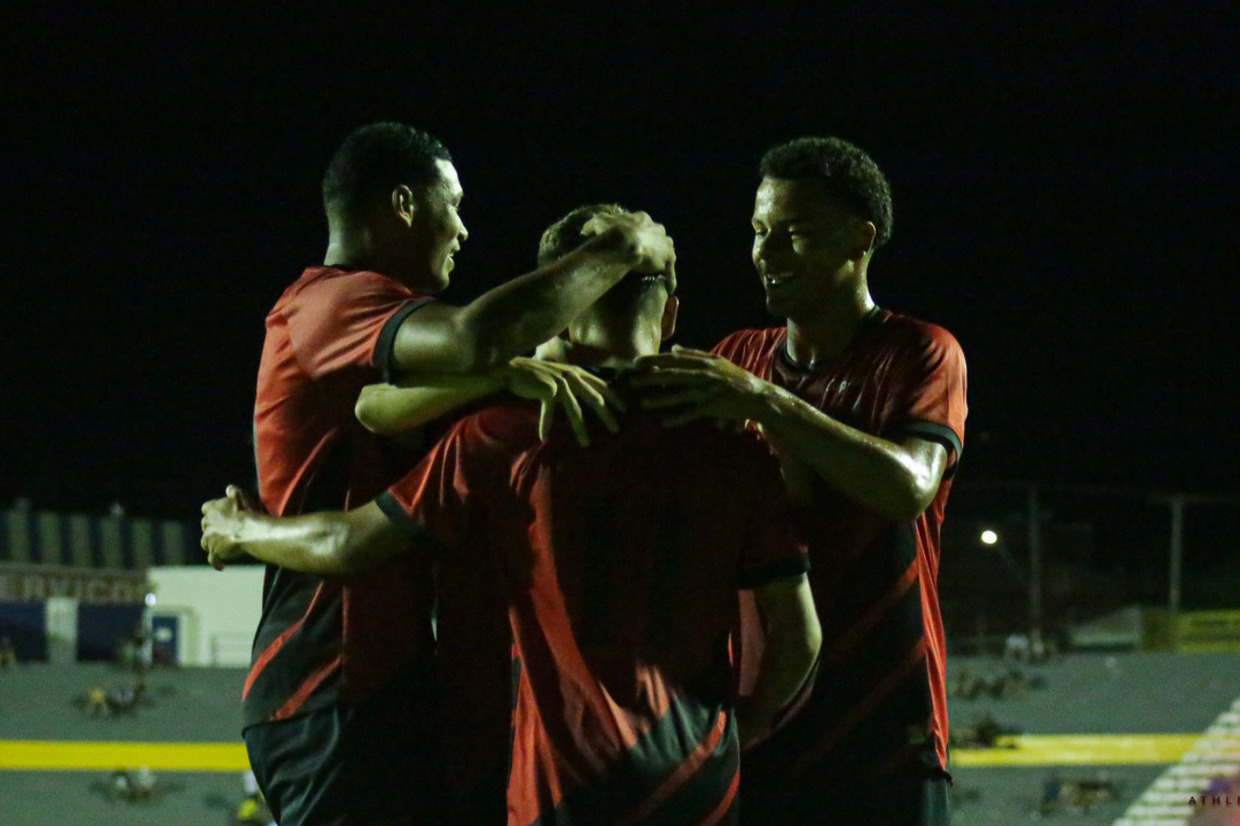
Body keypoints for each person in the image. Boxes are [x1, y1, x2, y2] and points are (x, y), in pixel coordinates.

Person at [205, 204, 821, 825]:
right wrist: (740, 728)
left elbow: (352, 527)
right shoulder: (737, 447)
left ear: (563, 314)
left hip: (563, 785)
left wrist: (243, 530)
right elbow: (800, 639)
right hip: (697, 780)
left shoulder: (504, 436)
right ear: (670, 316)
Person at [246, 124, 676, 826]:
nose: (464, 230)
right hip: (330, 682)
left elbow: (381, 407)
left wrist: (508, 370)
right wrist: (622, 246)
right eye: (454, 205)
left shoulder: (395, 350)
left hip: (395, 686)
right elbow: (475, 337)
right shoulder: (331, 301)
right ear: (404, 204)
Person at [634, 137, 967, 824]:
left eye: (795, 232)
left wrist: (766, 402)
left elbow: (908, 487)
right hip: (759, 717)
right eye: (760, 231)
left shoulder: (920, 351)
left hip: (883, 721)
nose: (767, 252)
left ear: (861, 239)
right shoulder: (736, 355)